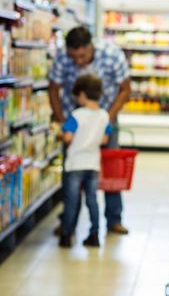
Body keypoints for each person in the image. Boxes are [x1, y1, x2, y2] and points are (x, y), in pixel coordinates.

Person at [49, 26, 131, 235]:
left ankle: (114, 219)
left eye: (82, 55)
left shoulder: (111, 54)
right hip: (74, 121)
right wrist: (61, 120)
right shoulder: (62, 58)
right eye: (73, 56)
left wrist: (107, 119)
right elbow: (53, 88)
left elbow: (125, 88)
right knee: (72, 172)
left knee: (110, 167)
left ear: (91, 46)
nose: (78, 61)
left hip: (106, 117)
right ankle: (69, 221)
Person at [59, 74, 112, 248]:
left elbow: (68, 138)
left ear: (81, 94)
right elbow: (104, 140)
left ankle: (66, 235)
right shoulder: (104, 116)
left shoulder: (76, 115)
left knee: (72, 201)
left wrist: (60, 134)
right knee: (92, 200)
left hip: (75, 163)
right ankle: (95, 235)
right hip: (93, 164)